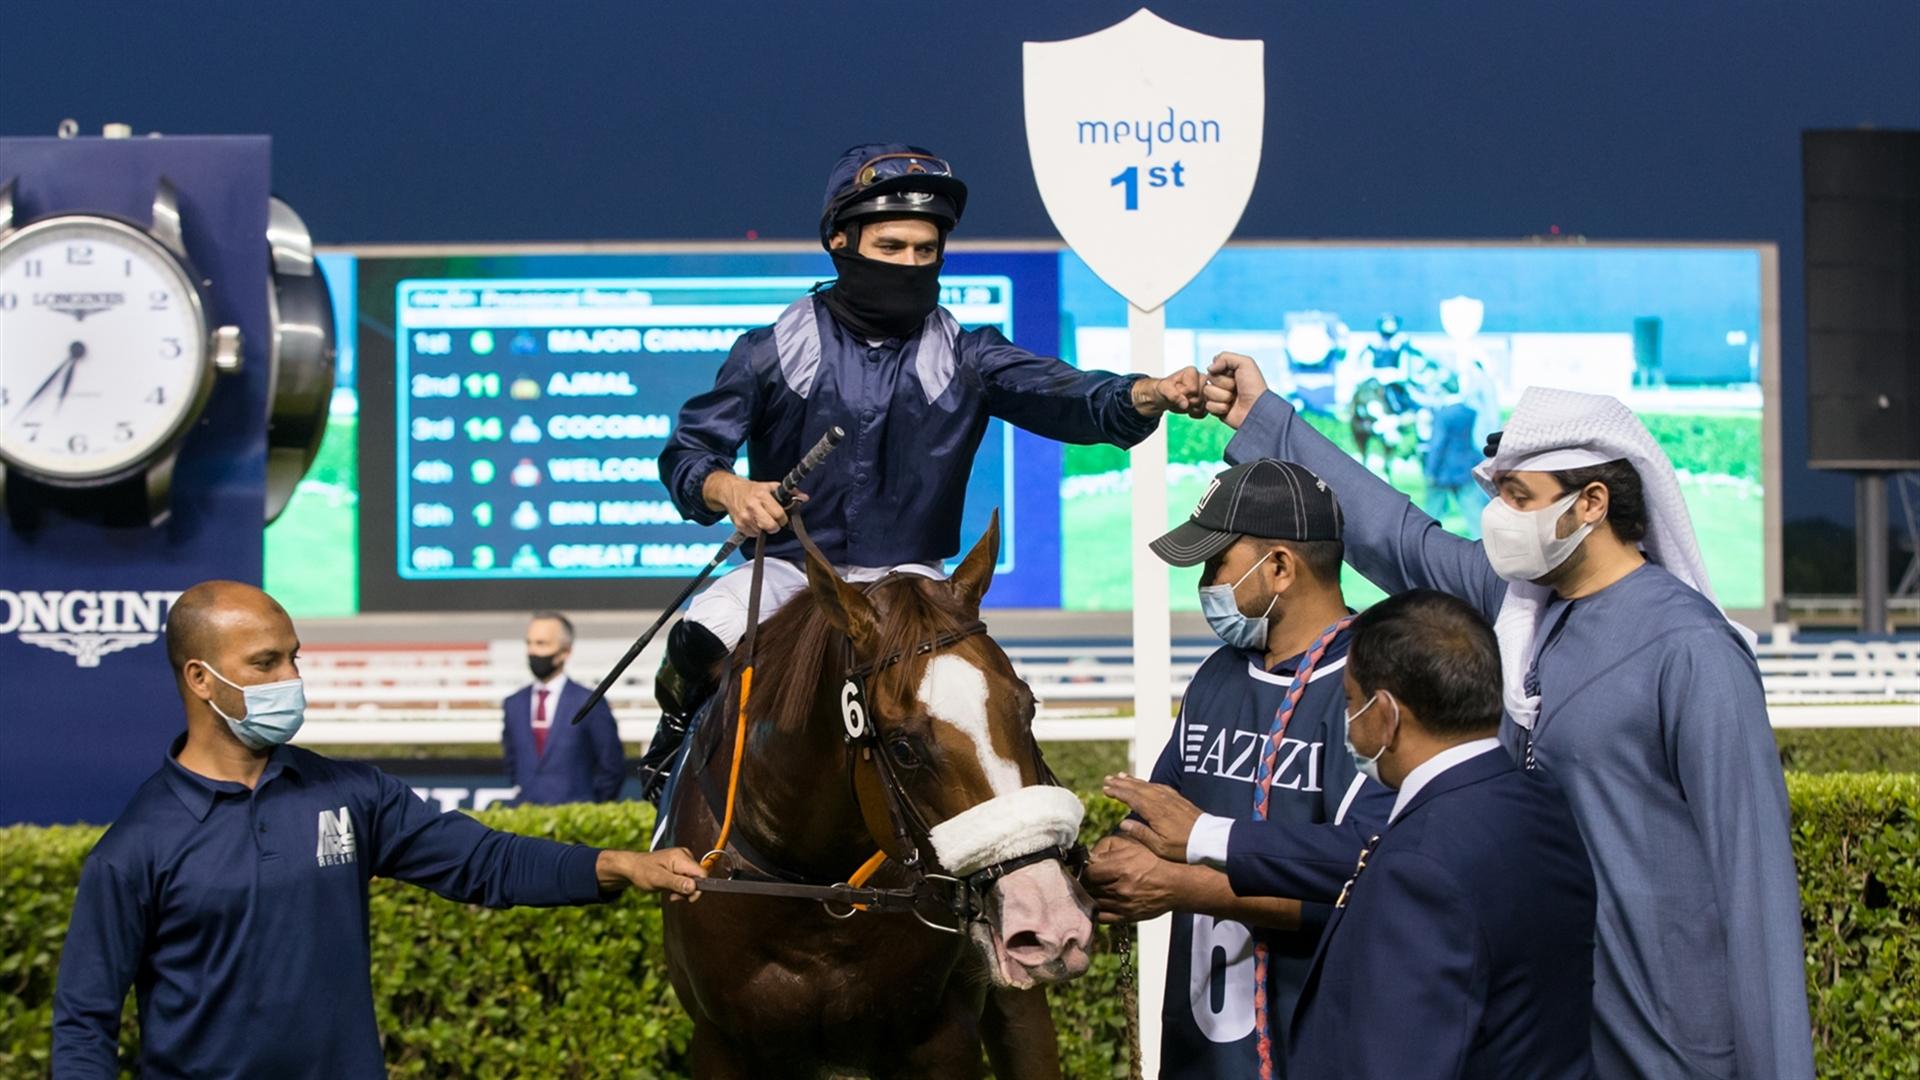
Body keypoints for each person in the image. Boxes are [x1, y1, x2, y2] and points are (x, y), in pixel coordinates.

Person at [1196, 353, 1814, 1079]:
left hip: (1665, 1042)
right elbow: (1396, 534)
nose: (1501, 517)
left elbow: (1758, 894)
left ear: (1591, 503)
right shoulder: (1520, 605)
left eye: (1521, 498)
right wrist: (1265, 420)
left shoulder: (1693, 650)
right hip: (1544, 1026)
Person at [637, 142, 1206, 798]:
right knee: (698, 634)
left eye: (924, 250)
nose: (910, 263)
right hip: (793, 573)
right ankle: (668, 766)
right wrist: (728, 487)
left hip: (910, 582)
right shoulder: (767, 352)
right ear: (840, 241)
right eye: (891, 247)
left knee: (987, 701)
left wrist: (1147, 393)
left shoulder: (971, 356)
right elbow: (688, 454)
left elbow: (1070, 396)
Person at [51, 581, 705, 1078]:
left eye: (294, 659)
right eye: (266, 663)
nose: (292, 680)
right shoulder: (134, 848)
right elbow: (84, 1025)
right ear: (201, 679)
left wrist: (622, 866)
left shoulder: (352, 794)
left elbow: (486, 861)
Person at [1109, 590, 1597, 1080]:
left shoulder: (1415, 868)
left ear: (1384, 715)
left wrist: (1200, 843)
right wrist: (1206, 837)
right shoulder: (1545, 807)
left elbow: (1393, 1058)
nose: (1346, 720)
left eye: (1348, 701)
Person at [1083, 458, 1393, 1078]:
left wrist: (1183, 885)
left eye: (1216, 562)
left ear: (1279, 567)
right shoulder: (1217, 673)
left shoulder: (1374, 686)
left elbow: (1366, 879)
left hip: (1317, 1045)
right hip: (1200, 1047)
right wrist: (1109, 861)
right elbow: (1157, 817)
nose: (1204, 583)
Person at [502, 610, 624, 804]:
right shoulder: (513, 704)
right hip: (526, 818)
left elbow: (611, 765)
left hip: (577, 822)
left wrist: (590, 811)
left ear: (565, 652)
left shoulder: (589, 702)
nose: (532, 651)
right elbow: (512, 763)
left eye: (541, 644)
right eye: (529, 643)